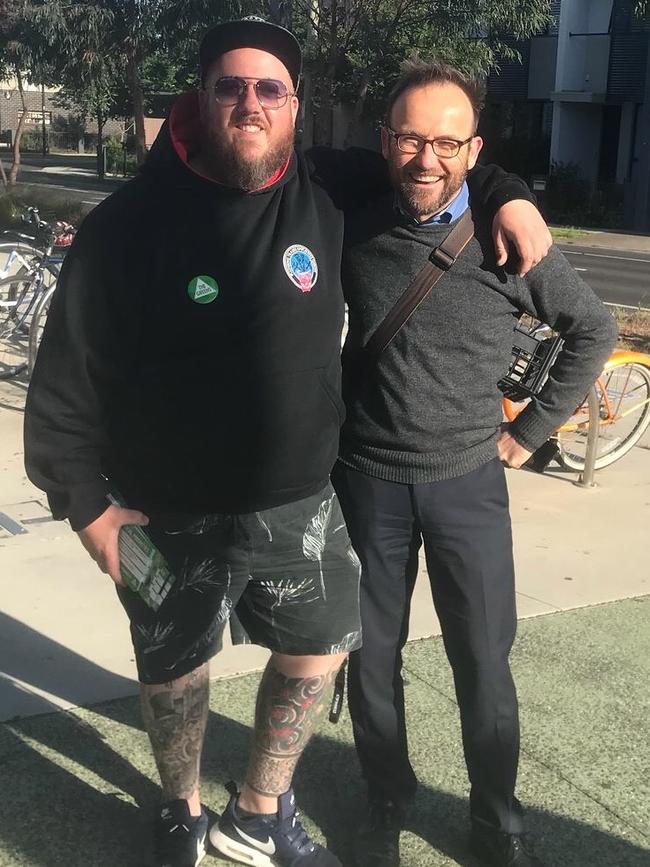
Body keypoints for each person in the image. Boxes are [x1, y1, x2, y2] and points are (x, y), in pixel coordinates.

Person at [23, 17, 551, 867]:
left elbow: (437, 157)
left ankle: (259, 809)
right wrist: (86, 508)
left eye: (271, 88)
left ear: (296, 106)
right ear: (200, 96)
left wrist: (510, 192)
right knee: (174, 672)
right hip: (165, 507)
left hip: (301, 502)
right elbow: (63, 385)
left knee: (321, 645)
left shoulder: (327, 185)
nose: (250, 102)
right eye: (230, 85)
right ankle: (180, 807)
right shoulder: (126, 224)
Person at [332, 60, 618, 867]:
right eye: (412, 138)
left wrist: (527, 434)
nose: (428, 158)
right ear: (387, 141)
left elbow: (590, 329)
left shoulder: (505, 238)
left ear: (474, 149)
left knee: (484, 667)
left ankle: (497, 821)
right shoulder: (352, 216)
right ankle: (385, 798)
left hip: (467, 485)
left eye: (447, 142)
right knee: (370, 659)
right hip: (367, 481)